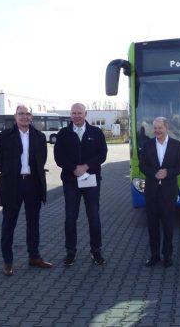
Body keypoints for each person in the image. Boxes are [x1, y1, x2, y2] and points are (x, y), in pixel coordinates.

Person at [0, 105, 52, 276]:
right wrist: (10, 173)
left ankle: (34, 257)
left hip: (33, 184)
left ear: (31, 117)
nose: (24, 117)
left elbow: (42, 160)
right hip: (12, 184)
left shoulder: (39, 137)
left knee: (33, 223)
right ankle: (8, 262)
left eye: (27, 114)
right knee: (8, 224)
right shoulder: (5, 136)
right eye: (21, 114)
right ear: (15, 116)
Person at [54, 103, 108, 266]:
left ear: (86, 114)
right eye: (74, 113)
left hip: (90, 179)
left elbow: (102, 154)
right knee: (71, 217)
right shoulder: (63, 133)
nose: (77, 116)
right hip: (71, 181)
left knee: (93, 216)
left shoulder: (96, 132)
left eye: (80, 113)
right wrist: (73, 168)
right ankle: (70, 252)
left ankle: (96, 250)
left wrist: (86, 166)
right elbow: (58, 157)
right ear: (70, 115)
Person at [139, 117, 180, 268]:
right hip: (151, 192)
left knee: (168, 226)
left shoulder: (176, 145)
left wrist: (168, 172)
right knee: (152, 226)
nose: (157, 131)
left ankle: (167, 256)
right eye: (155, 128)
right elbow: (142, 166)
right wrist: (155, 173)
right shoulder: (147, 145)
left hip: (168, 192)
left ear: (166, 128)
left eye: (160, 128)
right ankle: (154, 256)